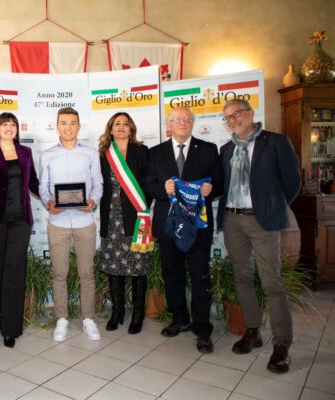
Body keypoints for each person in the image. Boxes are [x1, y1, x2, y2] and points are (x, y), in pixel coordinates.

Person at [217, 99, 301, 373]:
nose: (233, 120)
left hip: (263, 221)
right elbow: (223, 184)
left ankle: (282, 344)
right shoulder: (226, 149)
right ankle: (252, 331)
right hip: (233, 220)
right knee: (242, 277)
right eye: (228, 117)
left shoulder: (275, 142)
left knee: (271, 282)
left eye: (237, 114)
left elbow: (292, 183)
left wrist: (272, 207)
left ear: (250, 113)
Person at [144, 106, 223, 354]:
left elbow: (220, 183)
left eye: (187, 119)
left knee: (200, 277)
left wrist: (211, 190)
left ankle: (202, 328)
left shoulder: (208, 149)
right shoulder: (156, 152)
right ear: (169, 124)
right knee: (172, 275)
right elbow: (148, 186)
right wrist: (163, 189)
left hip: (198, 225)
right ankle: (180, 319)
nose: (182, 123)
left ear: (192, 123)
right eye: (177, 119)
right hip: (168, 226)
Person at [39, 107, 104, 342]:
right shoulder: (46, 155)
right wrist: (48, 202)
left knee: (87, 273)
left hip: (85, 221)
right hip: (58, 222)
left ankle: (88, 319)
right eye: (64, 123)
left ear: (79, 126)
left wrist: (93, 201)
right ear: (57, 126)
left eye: (72, 123)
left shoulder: (90, 154)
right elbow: (43, 186)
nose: (68, 127)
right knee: (59, 273)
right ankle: (62, 318)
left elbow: (98, 184)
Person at [0, 112, 39, 348]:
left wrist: (52, 198)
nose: (9, 127)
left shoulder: (25, 152)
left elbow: (33, 182)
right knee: (1, 270)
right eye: (5, 124)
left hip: (21, 221)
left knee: (15, 269)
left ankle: (11, 329)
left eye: (13, 124)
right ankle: (4, 320)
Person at [98, 112, 152, 334]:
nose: (121, 127)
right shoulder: (103, 154)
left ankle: (138, 314)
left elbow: (149, 183)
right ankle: (117, 310)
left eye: (125, 124)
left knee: (138, 267)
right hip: (111, 217)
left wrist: (144, 209)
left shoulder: (142, 151)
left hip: (137, 217)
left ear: (131, 129)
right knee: (114, 267)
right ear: (110, 129)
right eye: (117, 124)